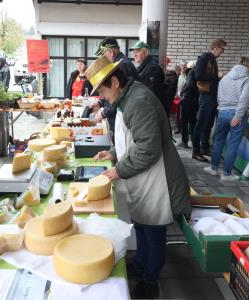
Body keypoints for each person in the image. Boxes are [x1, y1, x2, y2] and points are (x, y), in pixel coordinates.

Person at [86, 55, 191, 299]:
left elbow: (147, 149)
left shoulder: (138, 101)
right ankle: (141, 264)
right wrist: (112, 152)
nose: (102, 96)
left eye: (102, 89)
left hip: (158, 180)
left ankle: (150, 280)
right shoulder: (127, 98)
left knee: (154, 232)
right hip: (143, 176)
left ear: (114, 82)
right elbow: (130, 139)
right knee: (142, 226)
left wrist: (118, 170)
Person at [203, 57, 249, 181]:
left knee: (219, 140)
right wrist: (238, 116)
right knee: (233, 144)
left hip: (222, 111)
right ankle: (226, 174)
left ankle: (213, 168)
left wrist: (222, 108)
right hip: (235, 112)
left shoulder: (225, 77)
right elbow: (244, 99)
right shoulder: (248, 79)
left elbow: (219, 96)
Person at [90, 37, 139, 139]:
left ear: (110, 52)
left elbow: (118, 96)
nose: (101, 59)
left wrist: (103, 113)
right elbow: (112, 92)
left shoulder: (121, 66)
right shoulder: (121, 63)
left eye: (102, 55)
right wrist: (100, 103)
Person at [192, 38, 227, 162]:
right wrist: (216, 76)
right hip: (206, 95)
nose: (223, 52)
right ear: (216, 47)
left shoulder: (212, 59)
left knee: (209, 123)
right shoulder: (204, 58)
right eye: (222, 49)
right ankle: (196, 151)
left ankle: (205, 148)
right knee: (201, 123)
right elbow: (198, 76)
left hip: (212, 95)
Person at [129, 41, 169, 115]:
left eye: (137, 51)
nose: (134, 55)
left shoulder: (152, 68)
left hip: (152, 113)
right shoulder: (143, 67)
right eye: (134, 52)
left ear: (146, 52)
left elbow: (149, 94)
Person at [180, 60, 199, 148]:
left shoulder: (191, 72)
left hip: (187, 100)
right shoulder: (199, 72)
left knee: (184, 121)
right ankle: (194, 141)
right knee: (193, 122)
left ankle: (184, 141)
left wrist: (182, 92)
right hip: (195, 101)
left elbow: (190, 84)